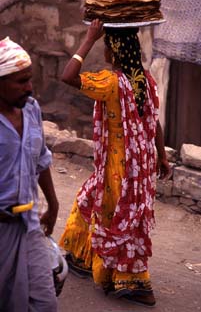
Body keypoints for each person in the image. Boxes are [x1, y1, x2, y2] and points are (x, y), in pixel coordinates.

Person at [59, 19, 170, 307]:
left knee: (118, 220)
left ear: (114, 50)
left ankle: (135, 282)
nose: (104, 51)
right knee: (90, 202)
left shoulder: (110, 84)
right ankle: (84, 258)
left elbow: (68, 76)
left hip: (118, 171)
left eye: (107, 46)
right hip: (138, 167)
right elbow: (153, 121)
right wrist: (163, 155)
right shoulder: (144, 80)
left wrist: (88, 40)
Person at [0, 37, 59, 312]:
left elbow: (40, 158)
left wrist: (53, 202)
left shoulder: (31, 109)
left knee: (44, 303)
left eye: (30, 79)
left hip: (29, 223)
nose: (30, 87)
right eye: (21, 81)